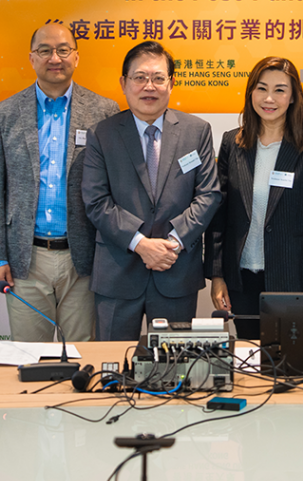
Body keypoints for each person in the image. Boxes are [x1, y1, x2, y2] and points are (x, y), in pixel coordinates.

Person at [0, 22, 119, 342]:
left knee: (85, 358)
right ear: (32, 58)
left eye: (63, 50)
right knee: (30, 359)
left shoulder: (104, 111)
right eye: (45, 50)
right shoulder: (4, 114)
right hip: (25, 260)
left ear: (77, 57)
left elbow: (113, 189)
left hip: (83, 260)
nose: (54, 58)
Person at [81, 40, 222, 341]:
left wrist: (172, 242)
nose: (150, 86)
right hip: (118, 273)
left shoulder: (196, 131)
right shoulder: (102, 134)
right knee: (114, 369)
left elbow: (208, 194)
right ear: (124, 82)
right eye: (140, 77)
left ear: (171, 83)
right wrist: (141, 244)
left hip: (176, 270)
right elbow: (96, 201)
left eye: (158, 78)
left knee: (173, 372)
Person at [207, 57, 303, 340]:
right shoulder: (232, 142)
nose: (269, 98)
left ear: (292, 97)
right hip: (242, 280)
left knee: (290, 366)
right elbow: (219, 216)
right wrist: (218, 276)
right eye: (261, 88)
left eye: (280, 90)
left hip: (292, 280)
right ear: (250, 92)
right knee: (249, 362)